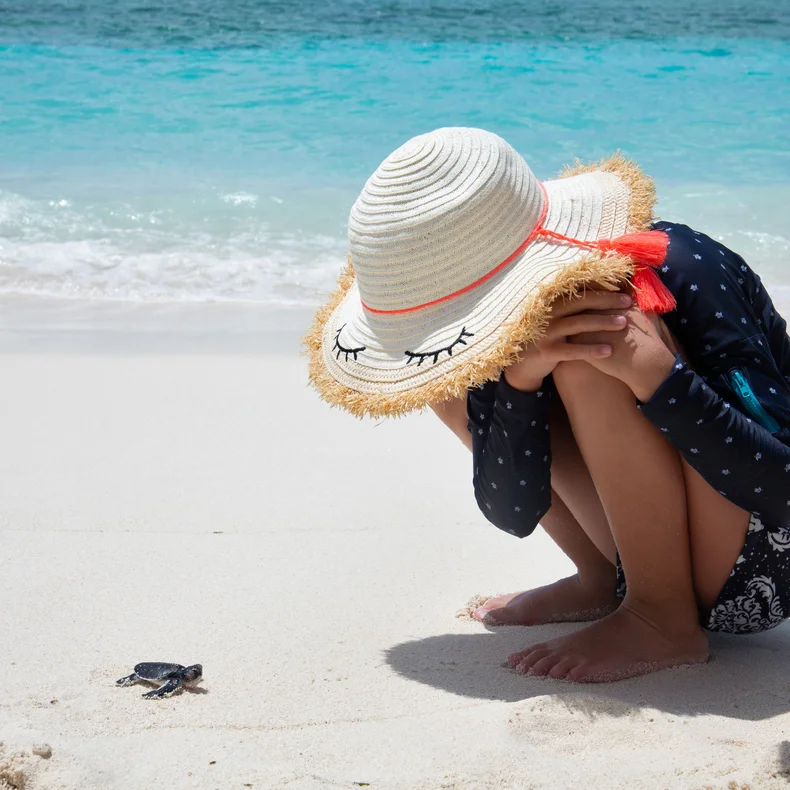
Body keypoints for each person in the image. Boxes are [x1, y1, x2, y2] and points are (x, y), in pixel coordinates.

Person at [305, 127, 790, 683]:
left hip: (761, 564)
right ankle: (600, 579)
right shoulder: (496, 338)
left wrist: (659, 378)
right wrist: (519, 385)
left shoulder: (683, 264)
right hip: (645, 555)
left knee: (594, 339)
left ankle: (659, 616)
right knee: (446, 381)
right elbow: (512, 512)